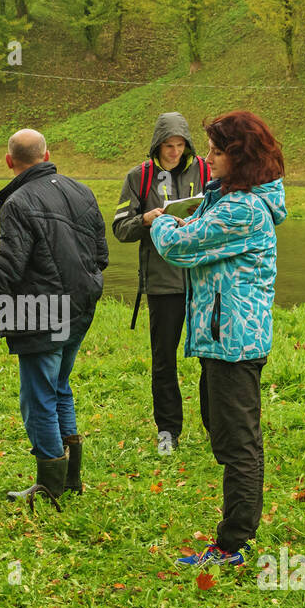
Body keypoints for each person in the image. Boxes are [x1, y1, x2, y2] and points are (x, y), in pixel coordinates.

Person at [0, 129, 109, 506]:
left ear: (8, 162)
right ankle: (70, 480)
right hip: (80, 309)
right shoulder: (82, 191)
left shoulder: (17, 203)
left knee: (38, 399)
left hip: (42, 315)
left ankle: (52, 485)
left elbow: (6, 269)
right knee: (59, 389)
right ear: (48, 153)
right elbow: (101, 256)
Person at [151, 111, 287, 568]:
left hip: (235, 341)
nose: (206, 158)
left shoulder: (243, 209)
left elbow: (179, 246)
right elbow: (196, 232)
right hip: (220, 336)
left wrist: (159, 221)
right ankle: (236, 536)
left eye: (214, 150)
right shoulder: (229, 196)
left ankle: (233, 546)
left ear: (239, 156)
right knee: (225, 432)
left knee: (239, 444)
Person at [112, 112, 211, 451]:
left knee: (212, 357)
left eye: (180, 145)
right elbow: (120, 229)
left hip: (203, 281)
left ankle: (216, 427)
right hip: (162, 283)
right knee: (164, 359)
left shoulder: (207, 170)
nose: (174, 152)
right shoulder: (139, 177)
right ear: (157, 144)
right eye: (168, 145)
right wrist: (146, 219)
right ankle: (168, 431)